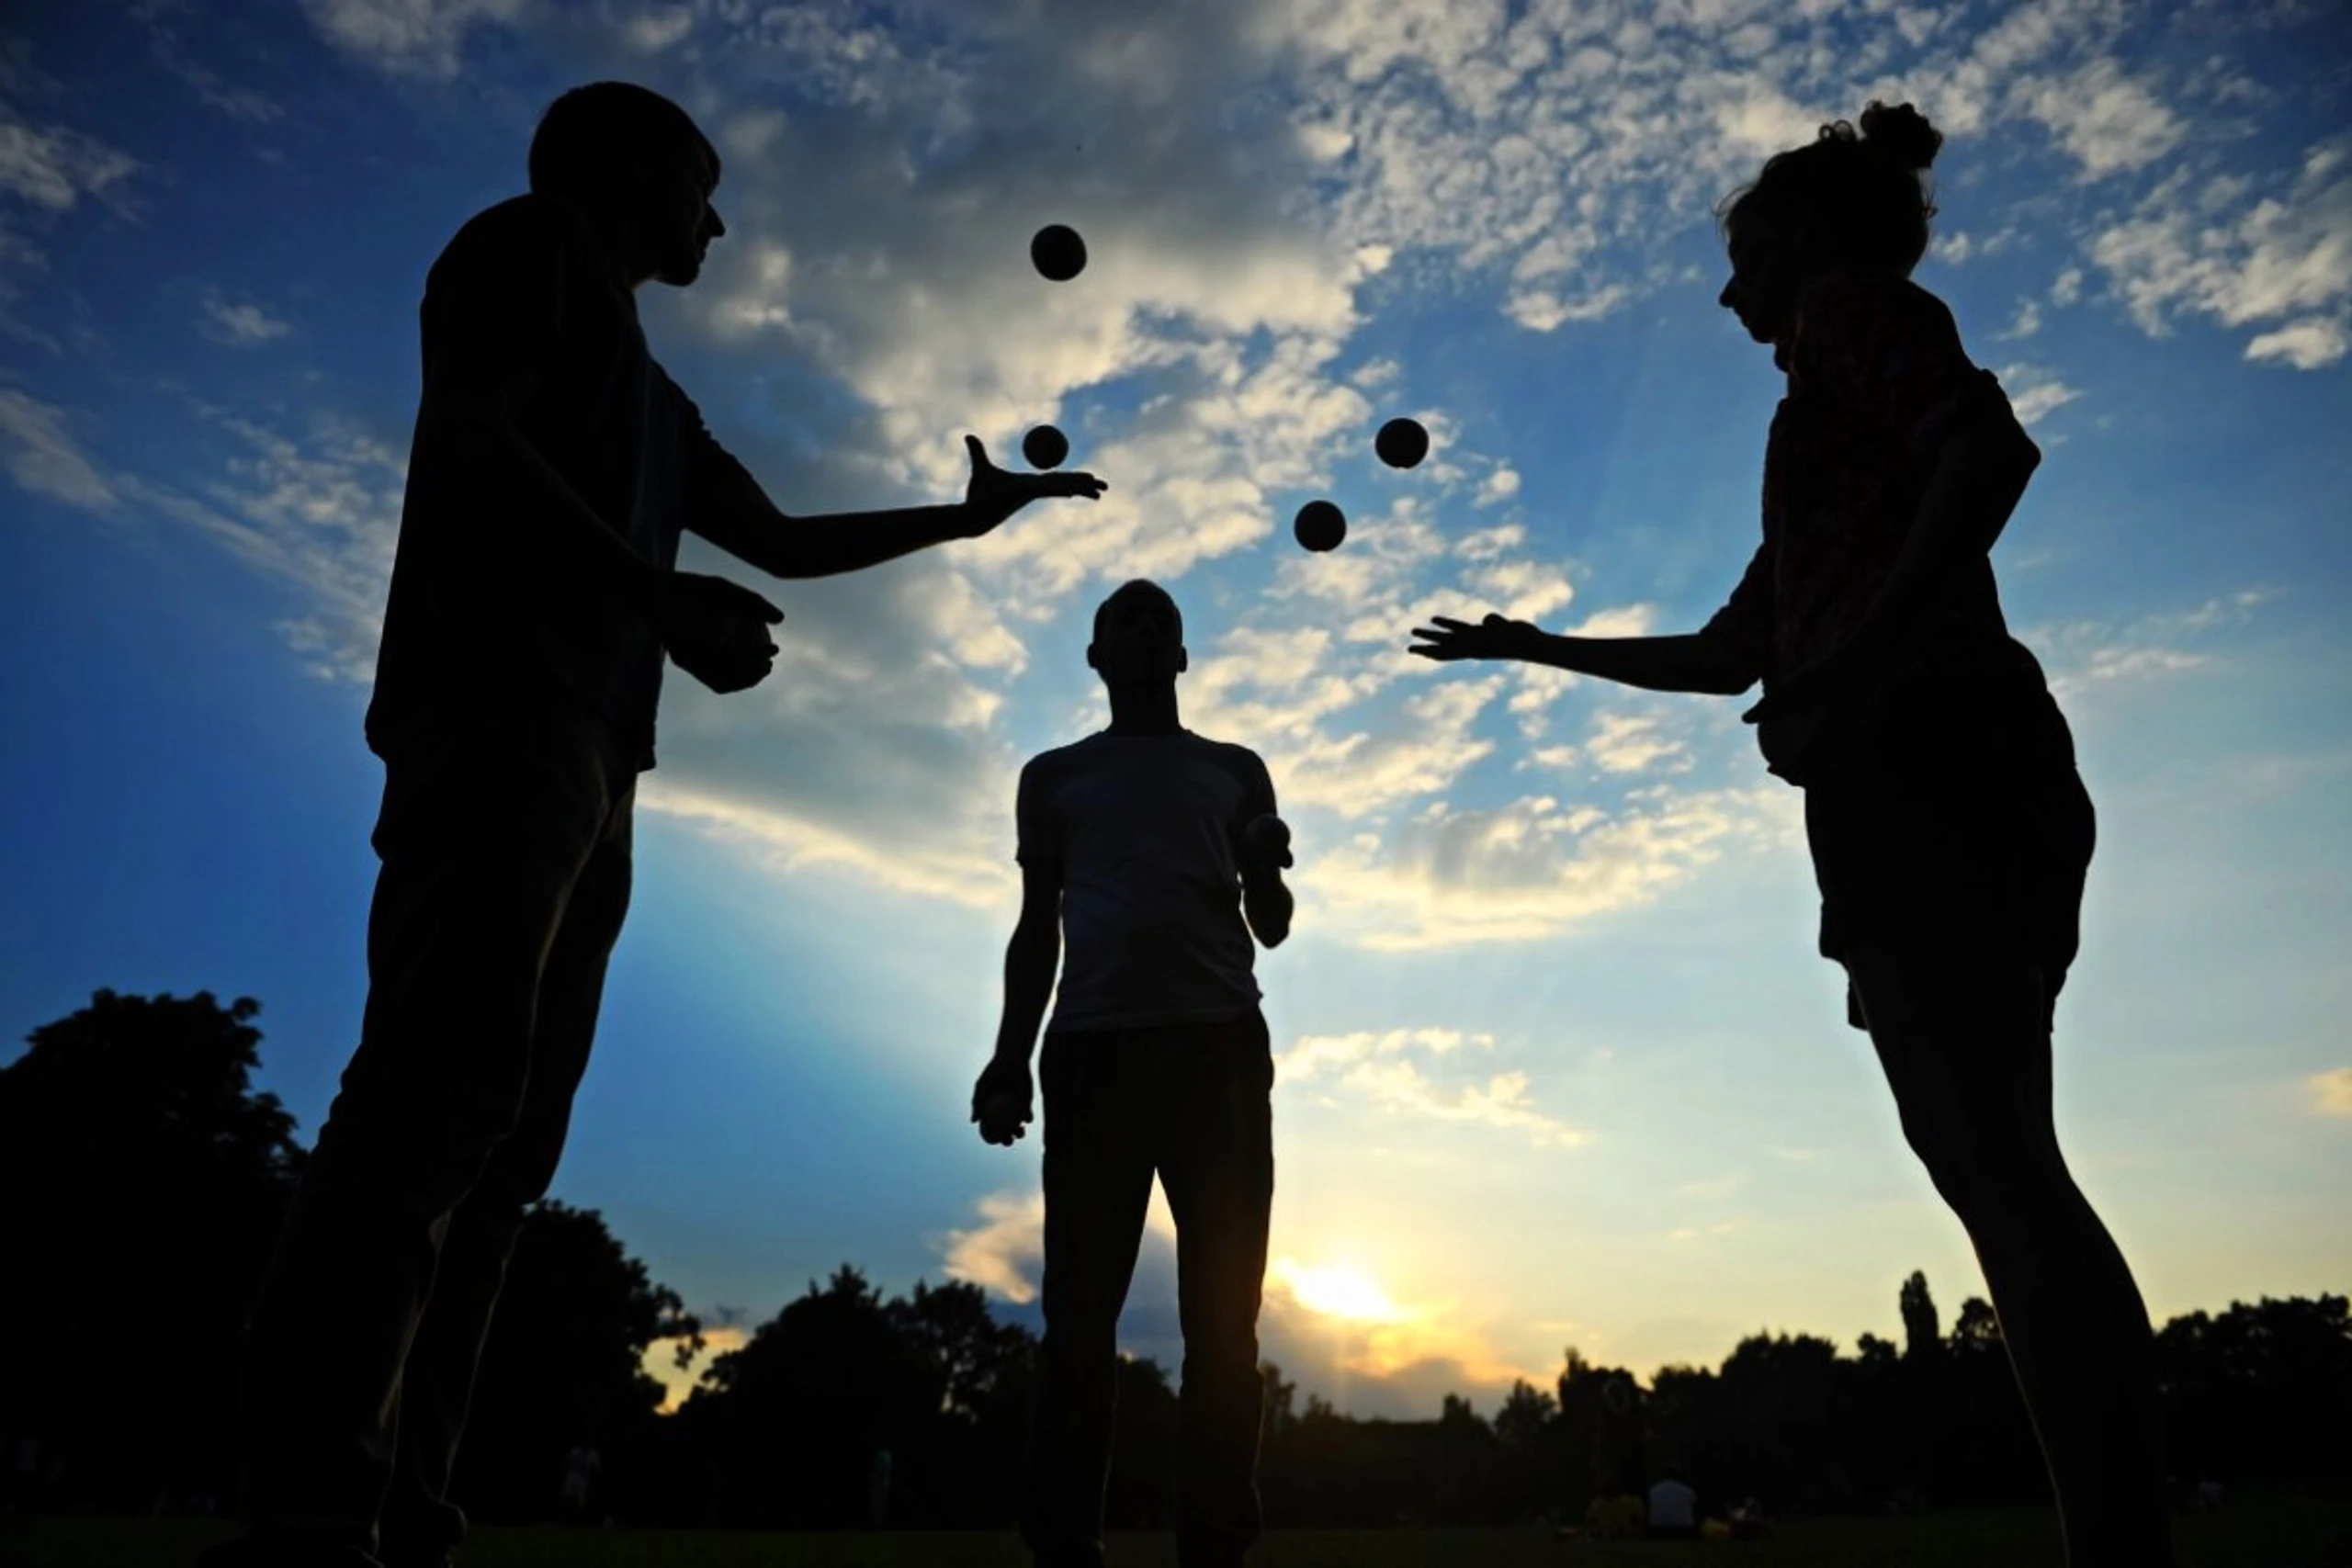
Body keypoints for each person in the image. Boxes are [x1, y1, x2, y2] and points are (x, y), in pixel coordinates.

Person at [200, 81, 1104, 1568]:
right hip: (496, 711)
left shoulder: (658, 397)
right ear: (630, 164)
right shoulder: (528, 244)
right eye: (705, 183)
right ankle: (300, 1506)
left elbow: (789, 545)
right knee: (434, 1090)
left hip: (599, 760)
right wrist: (646, 592)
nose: (722, 218)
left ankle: (399, 1505)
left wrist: (962, 521)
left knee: (503, 1146)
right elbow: (475, 442)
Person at [1410, 100, 2173, 1568]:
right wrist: (1536, 645)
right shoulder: (1819, 428)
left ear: (1813, 240)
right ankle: (2119, 1537)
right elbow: (1730, 650)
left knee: (2000, 1171)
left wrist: (1860, 663)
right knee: (2004, 1165)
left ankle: (2122, 1547)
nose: (1728, 290)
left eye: (1745, 251)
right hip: (1952, 763)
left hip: (1928, 755)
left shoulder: (1848, 315)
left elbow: (1991, 453)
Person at [972, 580, 1294, 1568]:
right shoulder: (1053, 777)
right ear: (1097, 656)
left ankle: (1214, 1545)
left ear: (1183, 658)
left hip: (1217, 1053)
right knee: (1077, 1317)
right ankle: (1064, 1541)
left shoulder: (1236, 770)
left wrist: (1269, 866)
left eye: (1163, 622)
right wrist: (1006, 1058)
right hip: (1092, 1054)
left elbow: (1271, 929)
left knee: (1222, 1322)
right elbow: (1037, 929)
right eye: (1126, 621)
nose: (1146, 630)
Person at [1646, 1465, 1698, 1541]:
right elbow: (1694, 1505)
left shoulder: (1654, 1490)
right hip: (1683, 1529)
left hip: (1657, 1529)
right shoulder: (1686, 1491)